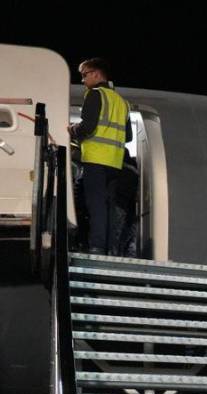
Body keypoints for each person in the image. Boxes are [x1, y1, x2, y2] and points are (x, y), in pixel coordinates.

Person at [69, 58, 130, 254]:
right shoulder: (122, 102)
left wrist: (73, 130)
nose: (82, 80)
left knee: (95, 204)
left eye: (84, 75)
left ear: (96, 74)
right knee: (109, 206)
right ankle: (109, 248)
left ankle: (96, 246)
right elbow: (128, 136)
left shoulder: (95, 94)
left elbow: (88, 127)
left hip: (95, 160)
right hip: (115, 162)